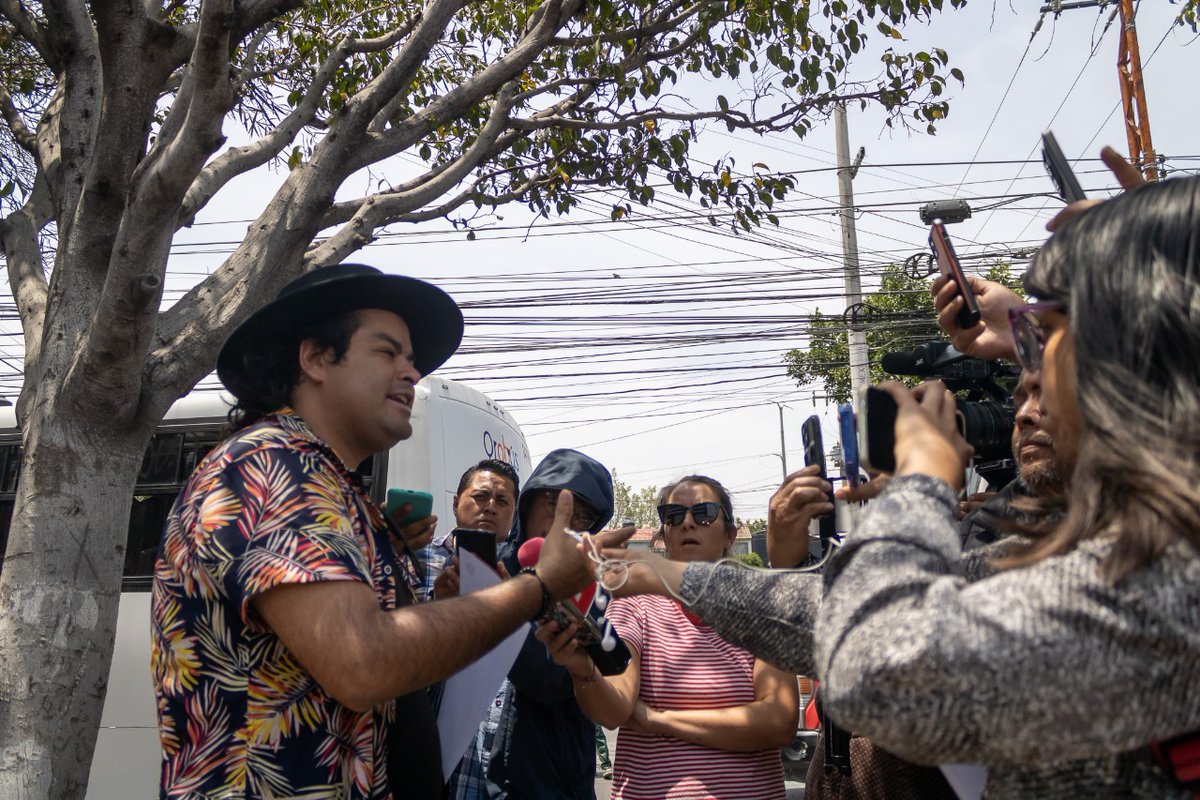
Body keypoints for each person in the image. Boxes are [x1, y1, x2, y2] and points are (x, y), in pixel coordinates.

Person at [151, 264, 628, 800]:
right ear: (314, 358)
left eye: (412, 358)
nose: (411, 372)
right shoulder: (271, 466)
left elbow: (381, 664)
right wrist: (536, 588)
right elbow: (362, 664)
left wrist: (442, 607)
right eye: (387, 352)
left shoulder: (340, 490)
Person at [540, 476, 798, 800]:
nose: (688, 522)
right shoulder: (636, 606)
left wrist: (659, 720)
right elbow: (615, 709)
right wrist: (583, 672)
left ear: (730, 535)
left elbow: (779, 721)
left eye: (703, 513)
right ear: (664, 537)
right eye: (673, 516)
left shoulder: (761, 611)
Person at [484, 448, 616, 800]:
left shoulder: (592, 587)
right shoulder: (492, 566)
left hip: (551, 781)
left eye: (581, 518)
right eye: (557, 506)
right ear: (528, 502)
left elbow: (551, 680)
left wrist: (502, 611)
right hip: (467, 770)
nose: (566, 525)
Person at [422, 458, 521, 601]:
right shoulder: (416, 557)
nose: (491, 508)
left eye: (502, 501)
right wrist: (437, 602)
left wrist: (510, 604)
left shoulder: (524, 567)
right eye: (480, 496)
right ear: (456, 504)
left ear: (514, 514)